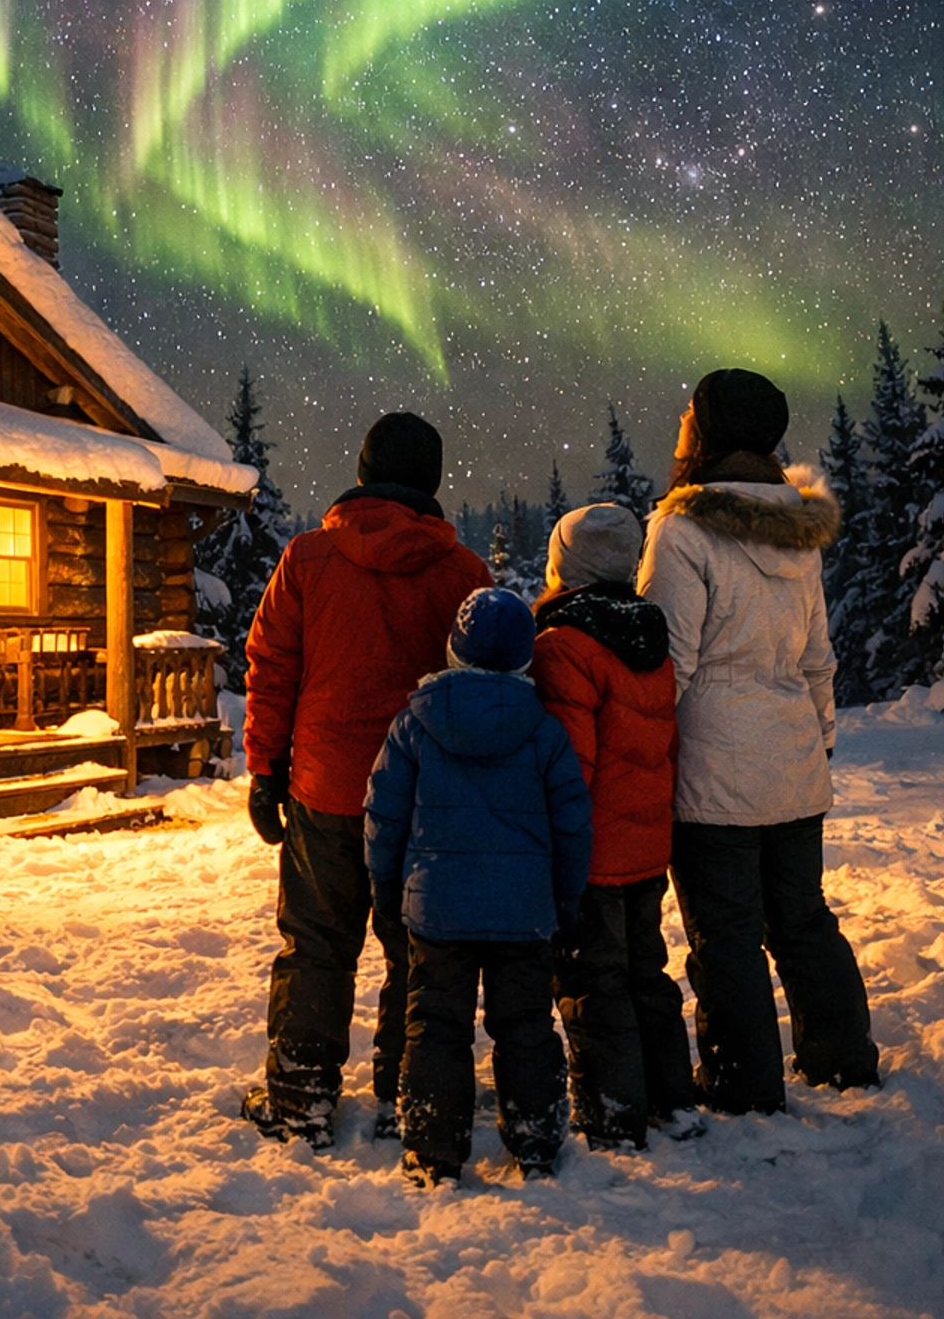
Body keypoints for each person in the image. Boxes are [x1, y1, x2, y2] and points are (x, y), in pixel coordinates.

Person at [241, 412, 491, 1148]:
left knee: (317, 942)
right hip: (423, 798)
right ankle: (406, 1091)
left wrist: (265, 770)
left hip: (326, 788)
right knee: (414, 947)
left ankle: (299, 1097)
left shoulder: (309, 559)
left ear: (363, 470)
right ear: (432, 482)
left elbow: (271, 668)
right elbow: (482, 692)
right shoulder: (463, 574)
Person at [640, 367, 880, 1114]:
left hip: (715, 774)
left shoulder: (681, 531)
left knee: (729, 936)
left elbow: (668, 665)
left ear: (706, 431)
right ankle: (841, 1059)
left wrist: (646, 760)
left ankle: (745, 1085)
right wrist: (820, 743)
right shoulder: (798, 533)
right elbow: (816, 658)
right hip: (793, 760)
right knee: (804, 918)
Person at [365, 587, 593, 1186]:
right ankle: (536, 1141)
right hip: (523, 913)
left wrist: (387, 890)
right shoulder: (544, 733)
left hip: (437, 910)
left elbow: (384, 816)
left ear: (453, 651)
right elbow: (573, 822)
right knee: (525, 1026)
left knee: (436, 1026)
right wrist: (567, 898)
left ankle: (433, 1150)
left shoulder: (414, 724)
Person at [532, 501, 698, 1148]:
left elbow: (570, 767)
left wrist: (555, 848)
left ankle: (615, 1112)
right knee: (643, 971)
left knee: (592, 979)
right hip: (646, 844)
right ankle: (671, 1098)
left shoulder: (564, 646)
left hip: (592, 851)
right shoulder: (651, 642)